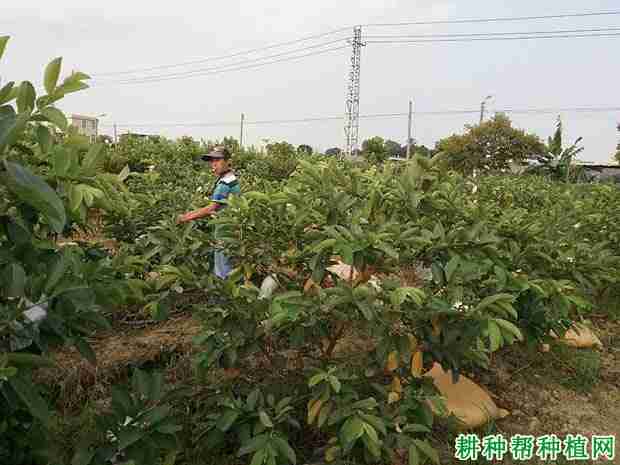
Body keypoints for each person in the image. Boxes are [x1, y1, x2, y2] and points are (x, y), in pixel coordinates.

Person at [177, 146, 240, 279]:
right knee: (231, 269)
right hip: (232, 231)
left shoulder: (224, 184)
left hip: (225, 233)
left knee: (223, 271)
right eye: (212, 161)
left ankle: (225, 296)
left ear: (228, 161)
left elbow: (211, 208)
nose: (214, 164)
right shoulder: (231, 179)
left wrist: (185, 218)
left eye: (218, 160)